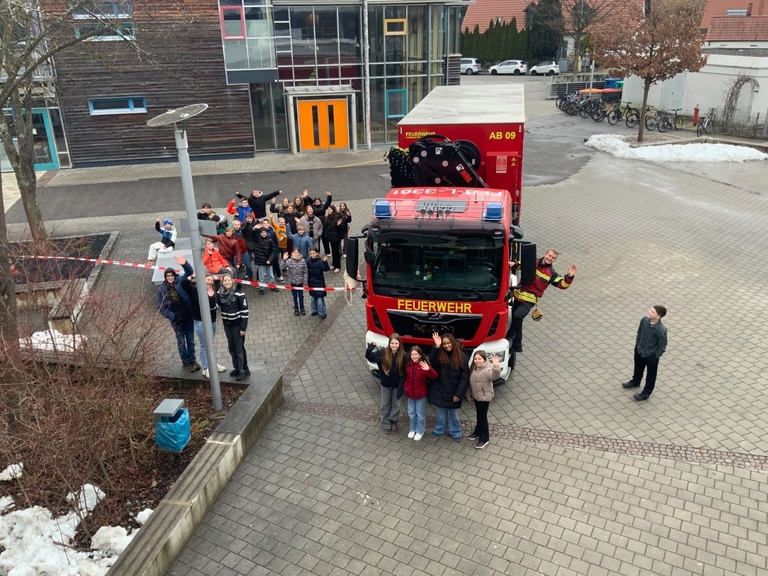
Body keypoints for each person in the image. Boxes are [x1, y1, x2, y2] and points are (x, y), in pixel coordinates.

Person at [505, 248, 576, 356]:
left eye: (553, 258)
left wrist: (569, 276)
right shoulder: (533, 262)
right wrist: (513, 263)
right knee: (518, 321)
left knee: (517, 316)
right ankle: (517, 346)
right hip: (518, 295)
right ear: (545, 254)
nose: (550, 258)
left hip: (530, 299)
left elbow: (562, 285)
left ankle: (511, 333)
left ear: (554, 260)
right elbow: (521, 265)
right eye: (549, 256)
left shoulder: (551, 273)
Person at [181, 267, 226, 378]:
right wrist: (192, 276)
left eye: (211, 280)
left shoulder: (213, 292)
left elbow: (214, 307)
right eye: (208, 279)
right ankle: (206, 367)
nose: (210, 282)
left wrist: (211, 297)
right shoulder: (194, 291)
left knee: (211, 343)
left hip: (212, 321)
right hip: (200, 321)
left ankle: (213, 364)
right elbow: (183, 284)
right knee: (204, 344)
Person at [156, 254, 198, 373]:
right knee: (181, 343)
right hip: (177, 321)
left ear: (175, 275)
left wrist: (185, 264)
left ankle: (193, 360)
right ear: (165, 277)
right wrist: (172, 316)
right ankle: (186, 363)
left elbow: (189, 272)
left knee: (191, 341)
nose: (170, 278)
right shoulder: (162, 290)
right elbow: (160, 306)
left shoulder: (180, 282)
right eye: (168, 276)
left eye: (172, 275)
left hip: (188, 317)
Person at [428, 331, 469, 441]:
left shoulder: (462, 357)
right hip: (441, 390)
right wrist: (436, 346)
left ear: (453, 342)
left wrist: (459, 394)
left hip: (454, 391)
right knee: (441, 412)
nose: (447, 346)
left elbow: (464, 377)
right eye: (444, 344)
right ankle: (439, 429)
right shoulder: (441, 354)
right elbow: (432, 360)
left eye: (448, 343)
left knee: (453, 414)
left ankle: (455, 432)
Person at [622, 305, 668, 401]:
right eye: (651, 310)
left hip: (651, 355)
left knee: (651, 374)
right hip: (640, 350)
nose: (649, 312)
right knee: (638, 367)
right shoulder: (644, 320)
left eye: (653, 312)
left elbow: (662, 345)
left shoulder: (661, 329)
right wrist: (638, 345)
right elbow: (639, 332)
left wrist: (656, 356)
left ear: (658, 316)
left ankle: (646, 392)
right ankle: (635, 381)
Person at [365, 334, 406, 434]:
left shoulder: (403, 355)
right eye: (392, 343)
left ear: (399, 344)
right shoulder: (382, 353)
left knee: (396, 404)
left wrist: (402, 386)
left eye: (396, 343)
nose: (394, 345)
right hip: (386, 384)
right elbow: (370, 358)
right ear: (389, 343)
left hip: (397, 384)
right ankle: (386, 423)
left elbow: (404, 372)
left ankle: (393, 421)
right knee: (385, 404)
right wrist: (370, 349)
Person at [399, 346, 437, 441]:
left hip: (421, 394)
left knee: (420, 414)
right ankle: (412, 429)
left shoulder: (424, 365)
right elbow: (405, 377)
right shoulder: (407, 364)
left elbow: (434, 376)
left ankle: (420, 430)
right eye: (412, 354)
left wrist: (428, 369)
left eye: (416, 354)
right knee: (411, 413)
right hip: (410, 393)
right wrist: (405, 387)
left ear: (420, 355)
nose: (414, 356)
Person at [217, 273, 250, 381]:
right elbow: (216, 305)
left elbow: (245, 311)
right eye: (225, 280)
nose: (227, 282)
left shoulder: (239, 294)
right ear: (222, 282)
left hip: (237, 325)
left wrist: (243, 328)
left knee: (239, 349)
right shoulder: (220, 293)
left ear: (232, 281)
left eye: (228, 280)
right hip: (227, 325)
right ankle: (237, 367)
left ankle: (243, 370)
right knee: (232, 348)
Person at [466, 351, 500, 450]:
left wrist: (496, 366)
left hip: (484, 398)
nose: (477, 361)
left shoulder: (487, 370)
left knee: (482, 418)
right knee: (479, 416)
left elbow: (494, 376)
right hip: (477, 397)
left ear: (484, 360)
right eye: (475, 359)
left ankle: (484, 439)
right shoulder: (474, 368)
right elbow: (470, 383)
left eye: (479, 359)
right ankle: (477, 432)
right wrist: (468, 394)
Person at [252, 227, 279, 295]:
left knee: (271, 275)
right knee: (261, 276)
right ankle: (262, 288)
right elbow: (253, 235)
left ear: (267, 233)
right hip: (261, 261)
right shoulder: (257, 239)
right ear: (260, 233)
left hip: (269, 261)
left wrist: (270, 259)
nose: (263, 234)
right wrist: (254, 229)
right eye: (262, 232)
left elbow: (273, 251)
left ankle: (272, 286)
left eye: (264, 232)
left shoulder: (270, 240)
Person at [281, 249, 308, 316]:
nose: (296, 253)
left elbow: (305, 272)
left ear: (299, 253)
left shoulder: (303, 261)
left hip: (301, 282)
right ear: (292, 253)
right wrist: (284, 260)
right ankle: (296, 308)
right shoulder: (289, 261)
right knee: (294, 297)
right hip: (293, 282)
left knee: (301, 296)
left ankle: (302, 308)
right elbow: (283, 268)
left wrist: (305, 282)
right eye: (294, 252)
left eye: (297, 252)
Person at [306, 248, 330, 319]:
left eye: (313, 253)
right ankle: (314, 310)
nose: (312, 255)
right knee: (313, 298)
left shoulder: (320, 262)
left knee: (319, 299)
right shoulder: (309, 262)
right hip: (311, 283)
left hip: (319, 283)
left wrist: (325, 262)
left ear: (317, 253)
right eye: (311, 253)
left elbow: (326, 269)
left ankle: (322, 312)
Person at [270, 216, 288, 282]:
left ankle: (284, 270)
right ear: (278, 223)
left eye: (283, 222)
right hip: (277, 246)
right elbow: (272, 224)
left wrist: (285, 237)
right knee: (276, 258)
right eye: (280, 222)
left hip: (284, 246)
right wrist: (271, 218)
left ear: (285, 222)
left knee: (284, 258)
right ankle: (275, 270)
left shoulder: (287, 228)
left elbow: (289, 235)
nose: (282, 223)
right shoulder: (277, 227)